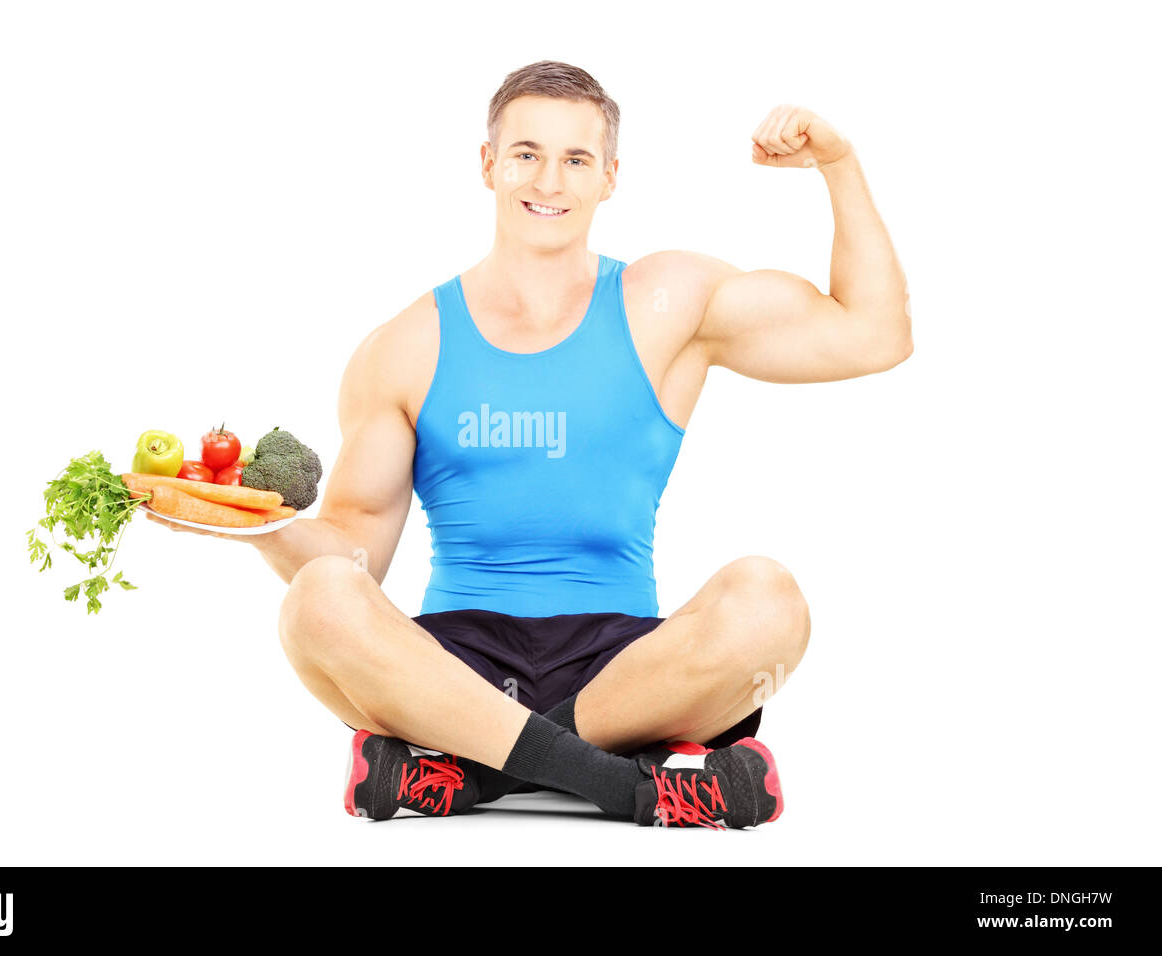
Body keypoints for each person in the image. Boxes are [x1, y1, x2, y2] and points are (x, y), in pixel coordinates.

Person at [149, 61, 911, 828]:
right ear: (488, 164)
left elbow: (875, 335)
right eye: (526, 153)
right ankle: (627, 786)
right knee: (316, 598)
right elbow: (354, 559)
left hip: (627, 671)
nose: (549, 179)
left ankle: (469, 773)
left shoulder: (667, 302)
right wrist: (258, 523)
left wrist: (838, 166)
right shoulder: (405, 347)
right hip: (450, 669)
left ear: (610, 177)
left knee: (769, 600)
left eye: (576, 159)